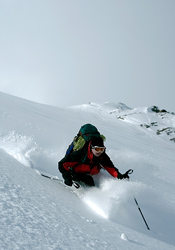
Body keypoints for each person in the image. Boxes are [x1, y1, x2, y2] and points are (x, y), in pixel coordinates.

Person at [58, 136, 129, 187]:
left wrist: (121, 177)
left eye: (102, 149)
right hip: (74, 173)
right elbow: (62, 164)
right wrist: (67, 178)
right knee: (89, 181)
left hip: (89, 173)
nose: (100, 152)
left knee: (91, 181)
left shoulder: (102, 156)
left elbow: (111, 169)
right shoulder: (80, 154)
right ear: (91, 148)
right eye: (97, 149)